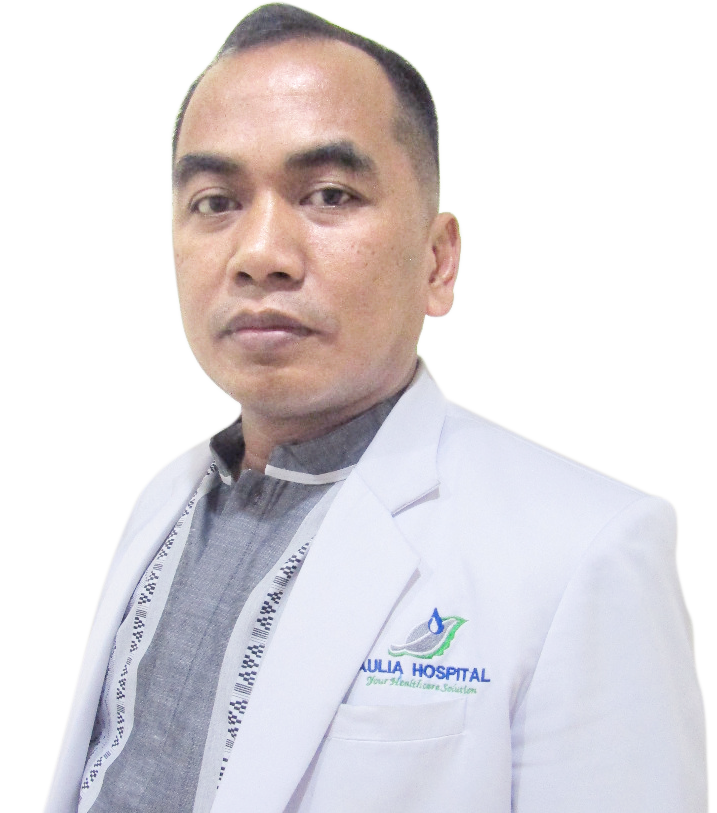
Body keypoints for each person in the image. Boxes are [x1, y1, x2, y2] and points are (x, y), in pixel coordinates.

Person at [44, 3, 708, 812]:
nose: (260, 254)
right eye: (215, 202)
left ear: (438, 261)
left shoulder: (585, 548)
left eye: (327, 194)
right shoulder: (164, 499)